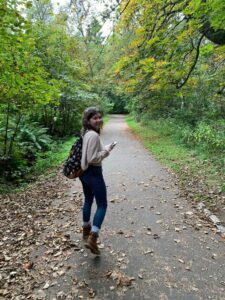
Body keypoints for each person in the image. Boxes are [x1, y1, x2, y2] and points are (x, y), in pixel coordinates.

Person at [79, 107, 116, 255]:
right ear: (88, 120)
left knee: (88, 199)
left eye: (100, 117)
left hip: (84, 173)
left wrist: (105, 148)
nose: (99, 120)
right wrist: (106, 151)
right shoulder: (93, 135)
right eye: (95, 118)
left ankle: (85, 231)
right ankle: (93, 238)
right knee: (102, 204)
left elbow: (90, 154)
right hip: (94, 172)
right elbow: (93, 158)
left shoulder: (86, 133)